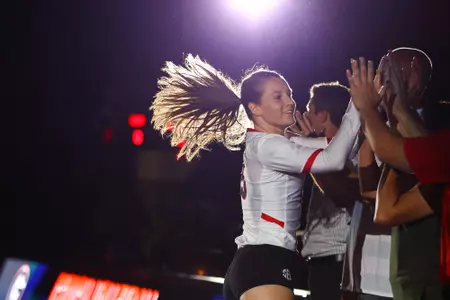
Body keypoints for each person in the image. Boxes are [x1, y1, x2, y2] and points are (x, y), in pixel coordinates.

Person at [150, 54, 361, 300]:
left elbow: (338, 146)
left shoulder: (270, 142)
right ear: (255, 108)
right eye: (278, 97)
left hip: (254, 263)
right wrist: (358, 106)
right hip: (266, 264)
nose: (290, 102)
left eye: (290, 94)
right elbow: (332, 159)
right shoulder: (270, 146)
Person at [346, 51, 450, 299]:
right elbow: (371, 192)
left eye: (385, 73)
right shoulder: (383, 126)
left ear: (412, 75)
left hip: (432, 264)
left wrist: (387, 113)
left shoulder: (441, 118)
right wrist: (374, 118)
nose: (378, 83)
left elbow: (431, 160)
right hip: (404, 263)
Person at [298, 82, 360, 300]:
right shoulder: (318, 147)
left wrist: (309, 147)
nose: (304, 115)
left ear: (323, 115)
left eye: (309, 109)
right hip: (323, 259)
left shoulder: (350, 148)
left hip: (337, 260)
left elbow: (342, 194)